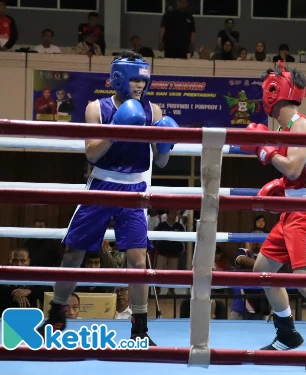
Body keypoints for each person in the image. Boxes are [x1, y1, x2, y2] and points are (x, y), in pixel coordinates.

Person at [37, 51, 179, 346]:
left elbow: (161, 163)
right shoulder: (96, 109)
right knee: (74, 252)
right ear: (119, 79)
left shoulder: (153, 111)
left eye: (144, 80)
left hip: (134, 190)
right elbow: (91, 154)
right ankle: (56, 316)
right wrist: (118, 128)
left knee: (138, 260)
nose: (140, 85)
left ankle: (140, 328)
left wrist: (165, 146)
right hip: (101, 185)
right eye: (135, 79)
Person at [240, 61, 306, 373]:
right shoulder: (284, 130)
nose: (265, 95)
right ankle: (287, 334)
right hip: (291, 212)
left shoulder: (302, 126)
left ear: (281, 92)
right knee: (264, 272)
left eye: (269, 88)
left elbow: (294, 168)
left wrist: (265, 151)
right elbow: (289, 175)